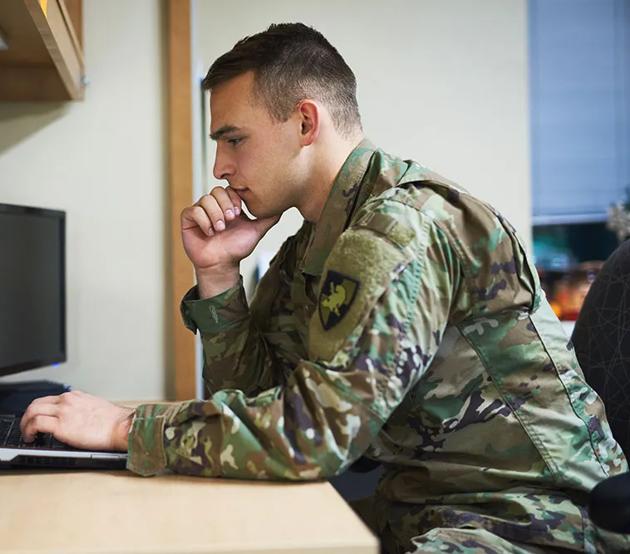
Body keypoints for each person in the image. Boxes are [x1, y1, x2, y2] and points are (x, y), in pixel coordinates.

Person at [20, 23, 628, 553]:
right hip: (423, 507)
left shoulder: (397, 231)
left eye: (233, 139)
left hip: (529, 518)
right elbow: (257, 399)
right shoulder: (314, 243)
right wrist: (218, 276)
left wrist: (126, 428)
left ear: (305, 121)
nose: (219, 168)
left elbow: (313, 437)